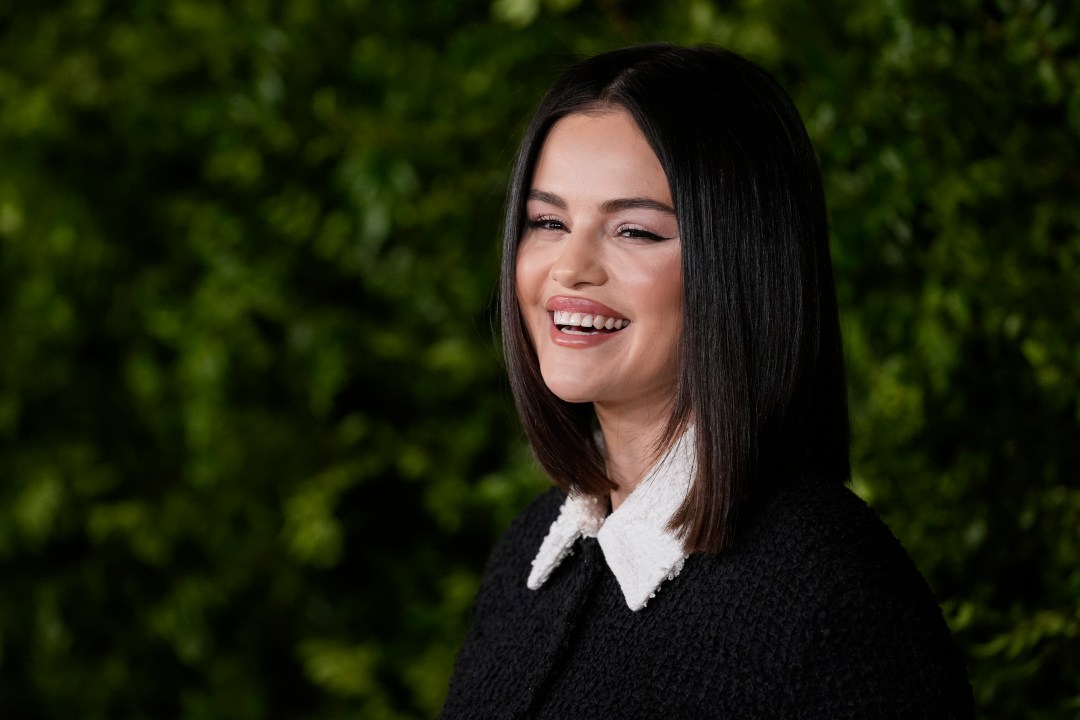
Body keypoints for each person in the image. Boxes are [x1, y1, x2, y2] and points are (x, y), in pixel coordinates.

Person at [440, 44, 973, 718]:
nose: (570, 268)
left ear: (739, 263)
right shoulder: (532, 558)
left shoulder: (829, 595)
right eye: (548, 222)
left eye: (633, 230)